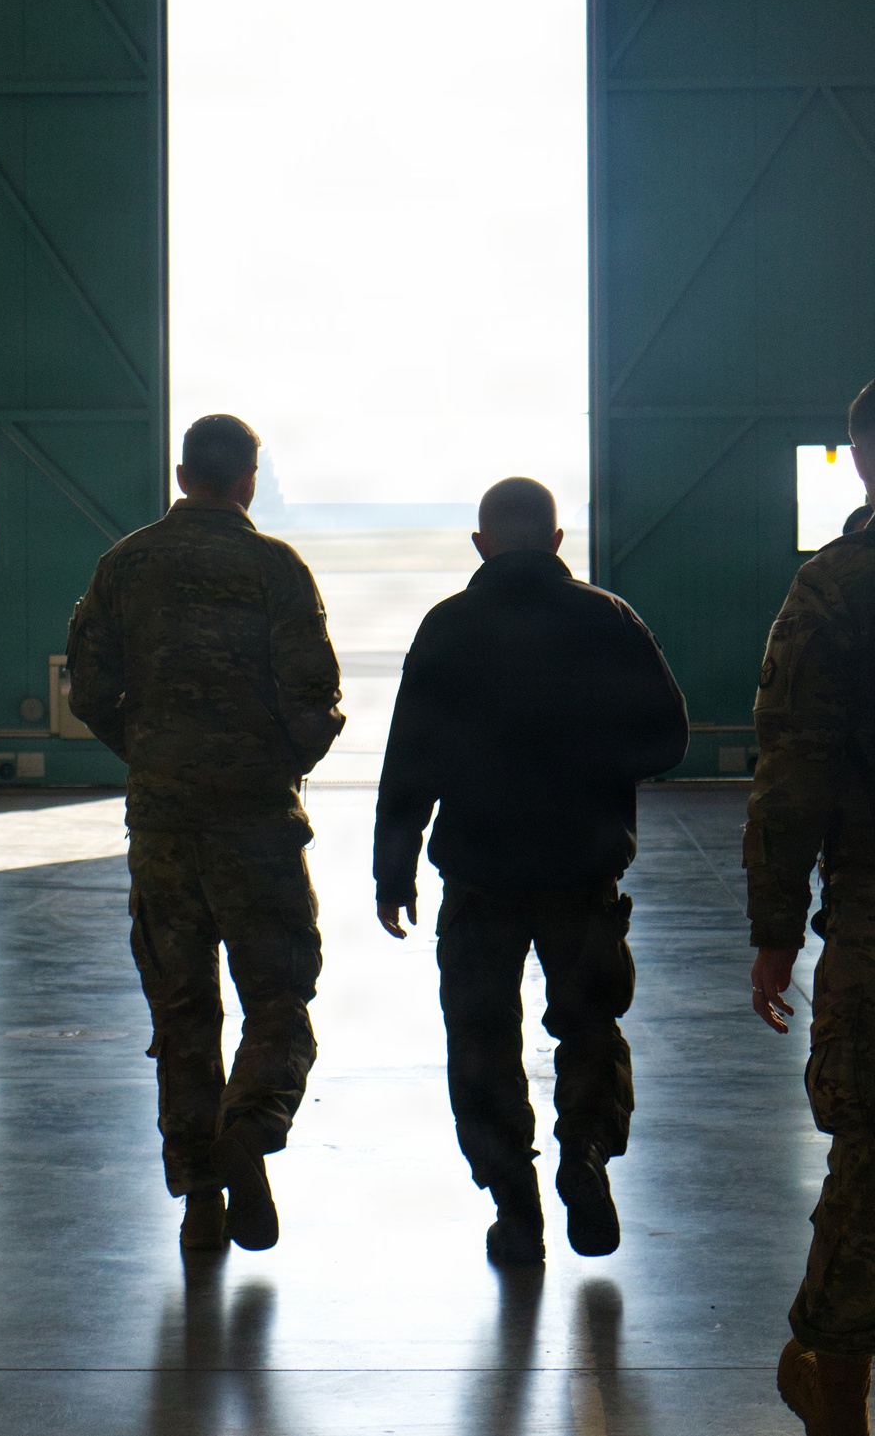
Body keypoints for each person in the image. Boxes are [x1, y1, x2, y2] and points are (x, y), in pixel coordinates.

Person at [373, 477, 688, 1266]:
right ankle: (584, 1154)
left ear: (480, 543)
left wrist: (393, 867)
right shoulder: (608, 619)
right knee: (588, 1023)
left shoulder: (448, 626)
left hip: (480, 875)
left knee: (480, 1037)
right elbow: (669, 737)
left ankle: (516, 1205)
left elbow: (409, 756)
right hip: (583, 870)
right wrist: (594, 768)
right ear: (556, 540)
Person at [67, 414, 345, 1254]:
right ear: (248, 479)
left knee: (182, 1012)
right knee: (278, 998)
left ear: (184, 474)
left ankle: (198, 1196)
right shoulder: (275, 568)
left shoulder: (124, 565)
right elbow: (316, 696)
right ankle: (250, 1128)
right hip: (255, 824)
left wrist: (151, 753)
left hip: (162, 826)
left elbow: (88, 688)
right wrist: (272, 762)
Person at [747, 382, 875, 1435]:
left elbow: (792, 775)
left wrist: (774, 931)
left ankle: (834, 1371)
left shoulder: (835, 590)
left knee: (871, 1142)